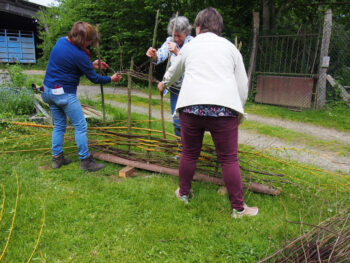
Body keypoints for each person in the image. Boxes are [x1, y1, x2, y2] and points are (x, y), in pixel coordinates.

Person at [157, 8, 258, 218]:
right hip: (223, 110)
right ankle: (238, 209)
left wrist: (164, 83)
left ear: (198, 26)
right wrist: (237, 111)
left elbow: (174, 70)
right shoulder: (230, 48)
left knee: (189, 153)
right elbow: (242, 85)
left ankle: (184, 193)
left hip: (191, 108)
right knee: (229, 159)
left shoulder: (191, 48)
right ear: (219, 27)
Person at [42, 21, 122, 172]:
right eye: (89, 41)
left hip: (48, 91)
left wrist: (90, 65)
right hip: (64, 94)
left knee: (59, 125)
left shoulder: (61, 41)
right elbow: (95, 79)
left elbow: (69, 64)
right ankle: (86, 161)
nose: (90, 44)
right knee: (81, 126)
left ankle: (57, 159)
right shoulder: (79, 54)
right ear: (82, 39)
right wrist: (111, 79)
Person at [146, 16, 193, 137]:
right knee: (177, 122)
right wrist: (154, 55)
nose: (176, 39)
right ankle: (180, 152)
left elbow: (193, 64)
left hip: (190, 90)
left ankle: (188, 152)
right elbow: (161, 55)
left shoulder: (193, 43)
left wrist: (178, 52)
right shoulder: (170, 40)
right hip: (175, 90)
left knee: (190, 123)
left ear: (186, 32)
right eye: (174, 35)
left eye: (179, 36)